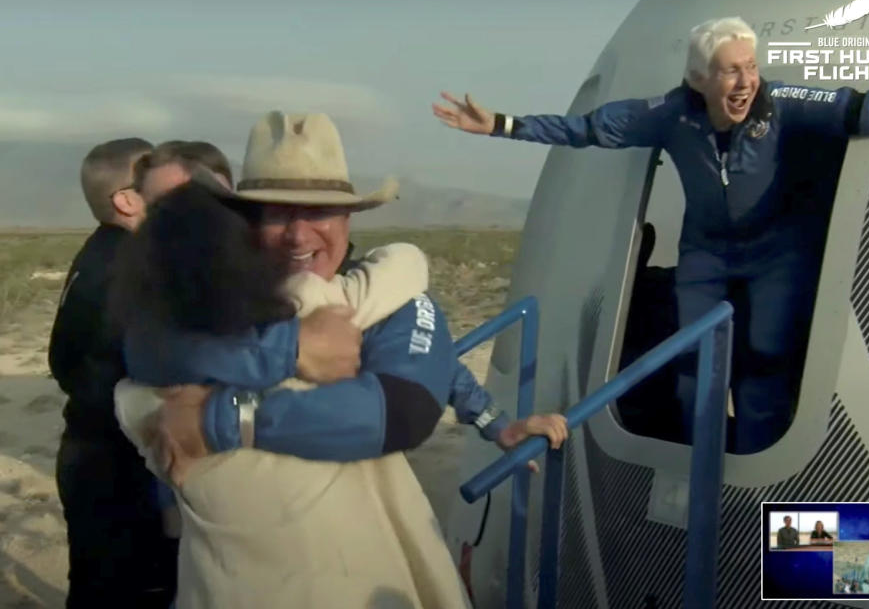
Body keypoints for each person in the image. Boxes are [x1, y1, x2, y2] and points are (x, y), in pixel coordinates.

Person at [432, 16, 869, 454]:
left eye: (751, 68)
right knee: (692, 371)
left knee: (764, 364)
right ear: (701, 79)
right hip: (707, 255)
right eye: (731, 72)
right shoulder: (671, 115)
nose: (746, 82)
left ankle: (753, 482)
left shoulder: (783, 103)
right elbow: (589, 129)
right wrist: (503, 125)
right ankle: (700, 474)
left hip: (776, 255)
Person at [113, 112, 566, 607]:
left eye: (319, 211)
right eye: (277, 213)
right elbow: (145, 347)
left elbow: (404, 409)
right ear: (244, 222)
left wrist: (218, 418)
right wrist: (290, 349)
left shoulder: (388, 296)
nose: (299, 235)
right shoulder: (213, 309)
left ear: (349, 218)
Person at [48, 137, 180, 608]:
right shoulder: (132, 270)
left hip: (88, 452)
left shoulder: (100, 253)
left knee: (95, 586)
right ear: (126, 199)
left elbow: (61, 363)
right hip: (120, 468)